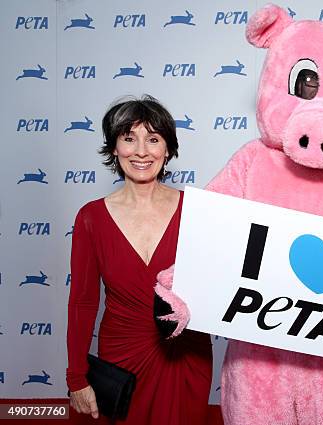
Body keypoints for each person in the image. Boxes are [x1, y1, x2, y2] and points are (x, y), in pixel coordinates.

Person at [66, 95, 213, 424]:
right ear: (114, 148)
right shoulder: (91, 218)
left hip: (185, 357)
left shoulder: (198, 211)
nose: (142, 151)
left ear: (168, 148)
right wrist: (76, 377)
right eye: (129, 138)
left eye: (153, 139)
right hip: (121, 359)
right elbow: (83, 302)